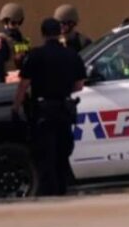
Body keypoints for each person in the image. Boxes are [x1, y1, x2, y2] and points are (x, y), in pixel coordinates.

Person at [12, 18, 87, 196]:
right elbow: (79, 86)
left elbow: (23, 84)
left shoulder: (36, 55)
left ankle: (49, 195)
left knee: (45, 156)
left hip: (43, 111)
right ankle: (62, 191)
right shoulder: (71, 55)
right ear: (59, 32)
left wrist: (15, 108)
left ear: (43, 34)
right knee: (62, 154)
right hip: (63, 109)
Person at [0, 3, 31, 82]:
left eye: (19, 23)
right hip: (7, 82)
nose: (16, 26)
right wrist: (0, 84)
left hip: (22, 81)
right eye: (13, 23)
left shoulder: (22, 40)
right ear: (5, 22)